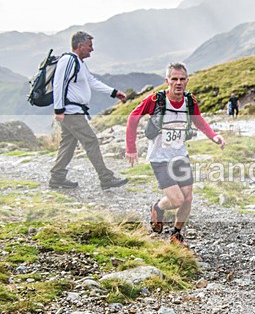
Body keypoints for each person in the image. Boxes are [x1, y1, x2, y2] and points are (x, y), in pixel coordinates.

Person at [125, 62, 224, 245]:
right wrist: (131, 147)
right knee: (177, 200)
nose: (178, 83)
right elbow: (133, 117)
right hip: (160, 158)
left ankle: (176, 234)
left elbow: (198, 120)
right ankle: (158, 207)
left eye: (182, 79)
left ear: (187, 81)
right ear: (167, 81)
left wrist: (213, 136)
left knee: (188, 198)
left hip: (180, 155)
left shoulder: (189, 101)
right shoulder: (155, 100)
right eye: (174, 79)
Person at [49, 31, 129, 190]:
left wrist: (114, 93)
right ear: (80, 46)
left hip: (73, 111)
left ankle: (57, 178)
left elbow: (91, 81)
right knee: (90, 141)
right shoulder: (68, 60)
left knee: (68, 144)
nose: (92, 49)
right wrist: (59, 109)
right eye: (89, 46)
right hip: (70, 111)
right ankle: (106, 178)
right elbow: (59, 84)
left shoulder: (79, 62)